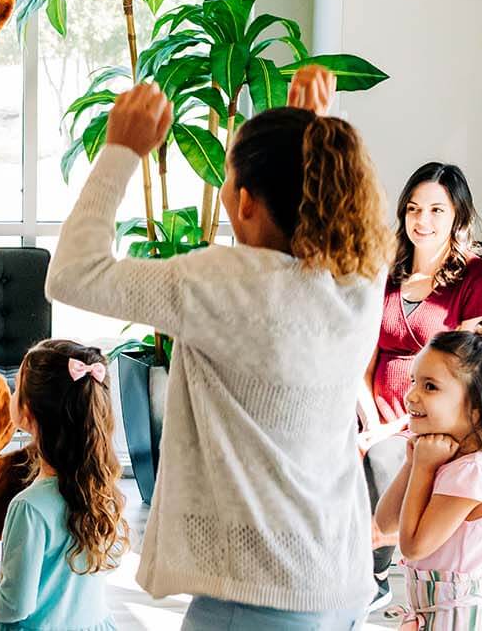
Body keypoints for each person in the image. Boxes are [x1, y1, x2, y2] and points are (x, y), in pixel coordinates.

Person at [47, 66, 393, 629]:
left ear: (248, 202)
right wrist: (315, 126)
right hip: (342, 580)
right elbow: (327, 208)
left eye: (229, 179)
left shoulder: (224, 285)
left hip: (262, 595)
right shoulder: (359, 275)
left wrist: (121, 151)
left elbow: (73, 276)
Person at [361, 162, 482, 610]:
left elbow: (462, 377)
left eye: (437, 210)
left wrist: (389, 429)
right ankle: (334, 558)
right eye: (414, 209)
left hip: (432, 416)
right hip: (373, 410)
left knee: (383, 454)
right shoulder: (387, 270)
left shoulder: (476, 280)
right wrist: (367, 415)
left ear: (459, 216)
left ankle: (376, 571)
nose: (423, 220)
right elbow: (362, 358)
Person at [373, 317, 482, 630]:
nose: (412, 395)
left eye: (430, 386)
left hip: (459, 621)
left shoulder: (476, 472)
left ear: (476, 405)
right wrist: (414, 463)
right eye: (414, 381)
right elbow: (386, 521)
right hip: (432, 617)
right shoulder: (445, 461)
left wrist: (424, 468)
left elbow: (414, 545)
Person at [0, 340, 126, 630]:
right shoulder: (100, 489)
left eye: (17, 388)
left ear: (28, 413)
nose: (13, 394)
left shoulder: (28, 508)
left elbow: (14, 604)